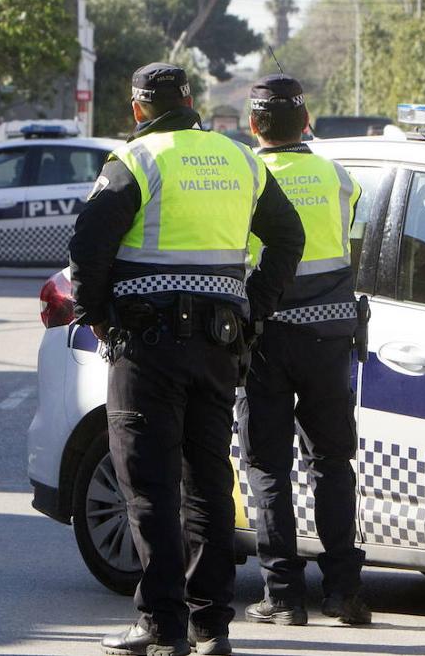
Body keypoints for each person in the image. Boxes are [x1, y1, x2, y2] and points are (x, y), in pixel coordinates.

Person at [69, 63, 305, 656]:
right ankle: (211, 627)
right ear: (191, 101)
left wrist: (97, 313)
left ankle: (162, 626)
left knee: (149, 486)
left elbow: (86, 248)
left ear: (138, 109)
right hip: (220, 344)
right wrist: (253, 308)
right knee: (207, 484)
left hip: (147, 348)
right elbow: (288, 237)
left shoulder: (137, 160)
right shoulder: (240, 159)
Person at [237, 74, 371, 627]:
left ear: (253, 125)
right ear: (307, 121)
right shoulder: (339, 177)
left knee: (267, 465)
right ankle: (344, 592)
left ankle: (284, 597)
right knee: (332, 464)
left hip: (267, 339)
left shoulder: (247, 175)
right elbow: (350, 250)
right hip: (330, 339)